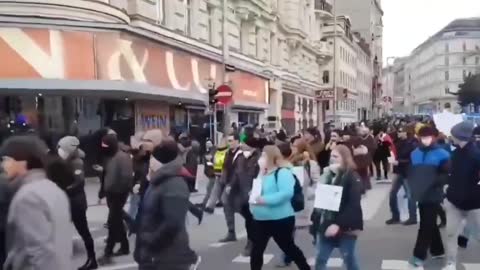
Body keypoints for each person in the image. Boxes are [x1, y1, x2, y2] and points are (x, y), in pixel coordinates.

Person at [0, 135, 72, 270]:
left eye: (6, 160)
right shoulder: (53, 189)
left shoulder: (28, 197)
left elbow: (42, 252)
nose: (3, 165)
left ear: (22, 161)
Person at [134, 139, 201, 270]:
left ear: (160, 162)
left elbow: (173, 222)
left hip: (168, 257)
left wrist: (151, 241)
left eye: (152, 158)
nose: (150, 161)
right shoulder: (156, 181)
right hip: (153, 255)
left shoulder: (174, 184)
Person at [249, 145, 310, 270]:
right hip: (260, 219)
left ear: (271, 157)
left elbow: (286, 193)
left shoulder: (283, 172)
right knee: (256, 250)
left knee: (288, 247)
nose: (261, 158)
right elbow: (257, 190)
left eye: (264, 155)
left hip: (280, 219)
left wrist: (264, 200)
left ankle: (305, 267)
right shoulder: (262, 173)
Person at [49, 136, 97, 270]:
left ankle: (92, 259)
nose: (60, 151)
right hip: (70, 202)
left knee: (84, 232)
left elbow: (79, 182)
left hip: (77, 204)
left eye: (62, 149)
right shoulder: (68, 161)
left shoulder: (77, 162)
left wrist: (63, 189)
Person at [312, 145, 363, 270]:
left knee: (349, 258)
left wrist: (338, 224)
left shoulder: (352, 176)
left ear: (344, 158)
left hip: (346, 226)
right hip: (326, 224)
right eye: (331, 156)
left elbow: (353, 204)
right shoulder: (328, 174)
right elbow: (321, 200)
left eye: (335, 156)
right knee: (321, 259)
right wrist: (314, 220)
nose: (332, 159)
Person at [406, 126, 450, 269]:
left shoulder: (442, 154)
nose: (425, 140)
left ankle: (418, 257)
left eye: (428, 137)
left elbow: (445, 175)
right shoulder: (415, 153)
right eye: (423, 137)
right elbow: (411, 172)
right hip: (420, 193)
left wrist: (432, 182)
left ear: (434, 137)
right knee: (429, 223)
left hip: (434, 194)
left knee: (425, 226)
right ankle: (438, 250)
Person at [443, 121, 480, 270]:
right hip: (453, 201)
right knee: (451, 233)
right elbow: (451, 174)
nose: (451, 137)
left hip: (474, 203)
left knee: (478, 236)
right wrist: (447, 189)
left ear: (460, 136)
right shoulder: (455, 153)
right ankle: (451, 263)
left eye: (453, 135)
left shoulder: (476, 154)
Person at [98, 134, 134, 265]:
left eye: (106, 146)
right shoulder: (109, 156)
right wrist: (103, 190)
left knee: (113, 221)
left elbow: (127, 177)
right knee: (117, 220)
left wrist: (120, 189)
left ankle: (108, 253)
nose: (104, 148)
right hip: (111, 193)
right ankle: (125, 247)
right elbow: (106, 174)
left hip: (119, 193)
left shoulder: (122, 157)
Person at [206, 133, 242, 243]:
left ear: (237, 141)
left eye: (231, 141)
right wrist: (222, 178)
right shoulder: (227, 153)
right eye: (228, 141)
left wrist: (230, 184)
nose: (229, 143)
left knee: (243, 209)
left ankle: (256, 228)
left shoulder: (240, 154)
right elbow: (225, 167)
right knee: (227, 204)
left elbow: (239, 172)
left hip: (237, 184)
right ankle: (231, 232)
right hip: (226, 181)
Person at [386, 126, 418, 226]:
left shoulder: (413, 143)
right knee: (392, 194)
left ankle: (413, 218)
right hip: (399, 171)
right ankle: (395, 216)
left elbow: (413, 159)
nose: (399, 133)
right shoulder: (397, 141)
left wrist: (398, 162)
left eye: (401, 131)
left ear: (406, 132)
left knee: (410, 196)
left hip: (408, 172)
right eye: (398, 132)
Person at [351, 126, 377, 191]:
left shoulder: (370, 138)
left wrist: (366, 150)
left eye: (363, 131)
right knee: (361, 172)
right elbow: (354, 146)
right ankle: (365, 185)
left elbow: (373, 147)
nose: (361, 133)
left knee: (364, 172)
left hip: (366, 157)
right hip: (358, 158)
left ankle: (365, 186)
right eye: (361, 131)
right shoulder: (357, 138)